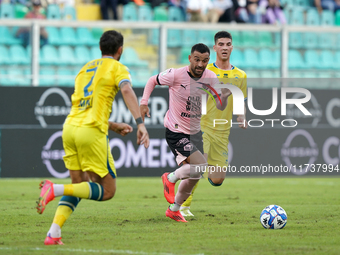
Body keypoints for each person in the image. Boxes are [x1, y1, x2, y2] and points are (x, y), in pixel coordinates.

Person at [36, 30, 150, 245]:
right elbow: (126, 90)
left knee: (79, 185)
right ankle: (54, 189)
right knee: (107, 190)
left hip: (69, 128)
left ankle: (53, 233)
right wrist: (140, 123)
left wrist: (113, 125)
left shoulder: (84, 69)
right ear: (120, 50)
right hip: (91, 131)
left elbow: (83, 107)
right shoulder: (118, 68)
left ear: (100, 48)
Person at [140, 43, 231, 222]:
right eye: (197, 59)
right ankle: (170, 177)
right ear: (190, 58)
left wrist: (224, 97)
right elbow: (152, 80)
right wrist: (144, 102)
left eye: (204, 61)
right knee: (201, 165)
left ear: (208, 61)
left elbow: (219, 104)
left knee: (196, 175)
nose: (200, 64)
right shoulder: (175, 75)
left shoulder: (211, 77)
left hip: (195, 132)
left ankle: (174, 209)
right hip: (176, 131)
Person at [180, 31, 248, 217]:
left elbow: (240, 102)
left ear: (232, 48)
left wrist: (241, 117)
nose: (224, 47)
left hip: (223, 131)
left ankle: (180, 175)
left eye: (228, 44)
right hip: (202, 126)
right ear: (215, 48)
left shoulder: (240, 75)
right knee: (198, 166)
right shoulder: (206, 72)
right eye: (221, 44)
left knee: (217, 179)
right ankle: (183, 206)